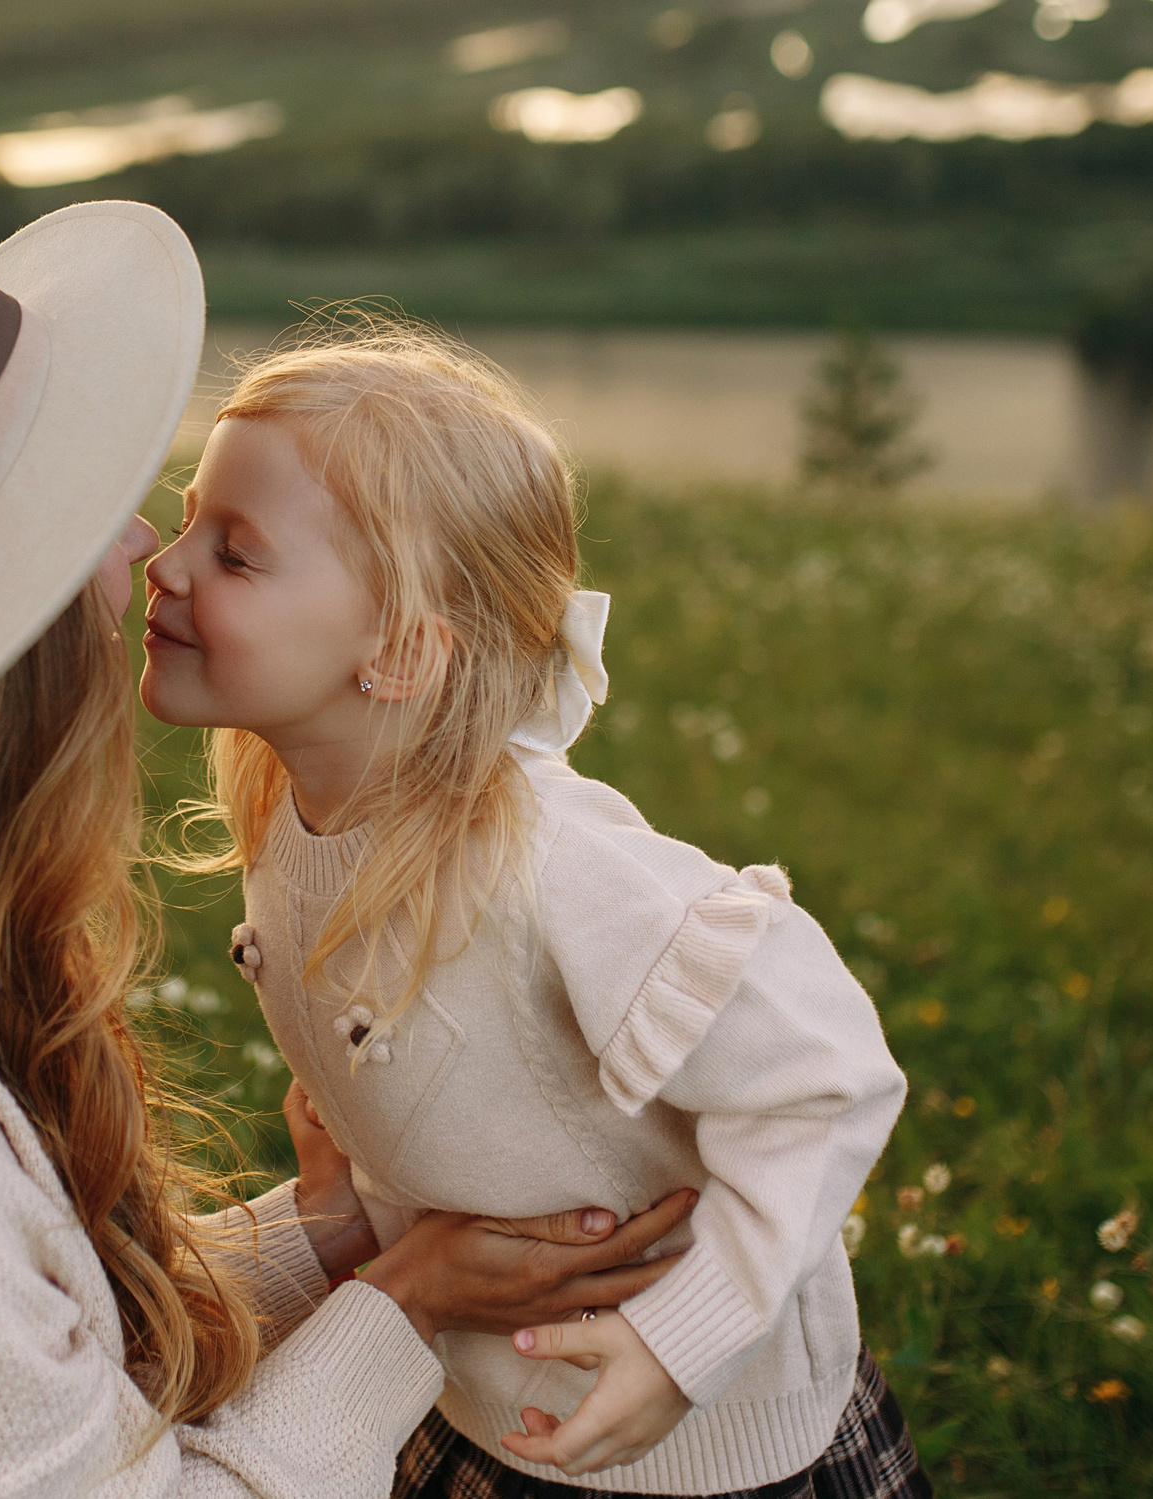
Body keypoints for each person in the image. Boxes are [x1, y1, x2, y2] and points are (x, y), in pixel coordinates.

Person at [0, 205, 696, 1497]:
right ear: (3, 632)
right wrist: (403, 1304)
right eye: (81, 503)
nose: (144, 543)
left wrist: (323, 1231)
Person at [139, 322, 929, 1496]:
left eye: (236, 554)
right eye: (188, 518)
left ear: (398, 652)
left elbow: (825, 1075)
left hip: (684, 1448)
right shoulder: (298, 815)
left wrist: (680, 1343)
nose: (164, 565)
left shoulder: (550, 863)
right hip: (468, 1392)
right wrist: (354, 1186)